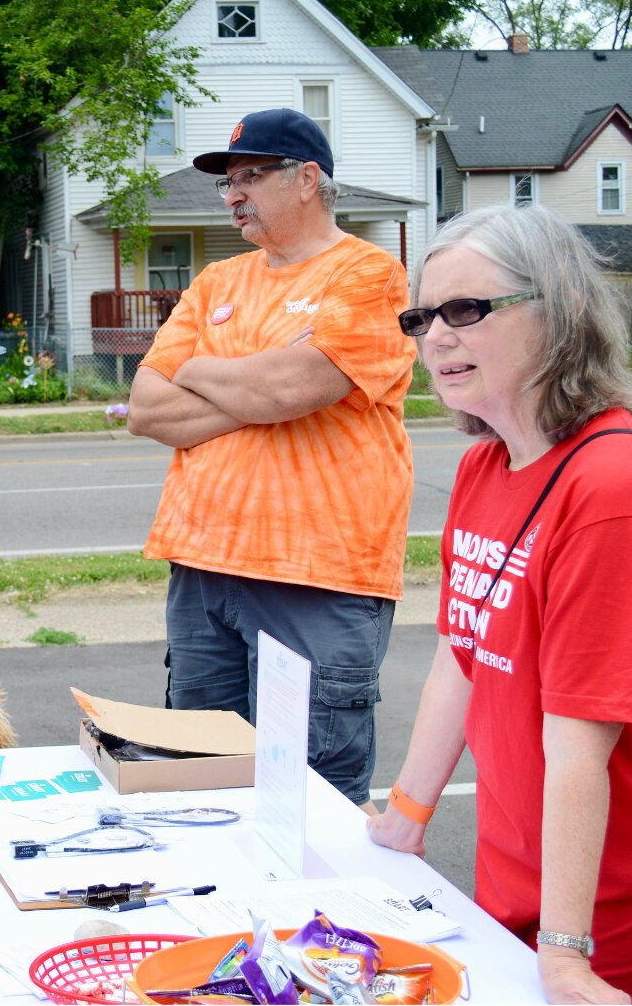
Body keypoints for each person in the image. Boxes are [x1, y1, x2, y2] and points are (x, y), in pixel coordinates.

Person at [367, 203, 632, 1005]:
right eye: (423, 316)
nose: (437, 336)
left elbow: (581, 740)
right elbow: (459, 656)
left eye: (467, 310)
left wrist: (567, 952)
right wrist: (406, 812)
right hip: (525, 861)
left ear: (561, 312)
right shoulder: (484, 469)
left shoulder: (612, 487)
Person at [128, 108, 415, 810]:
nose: (233, 195)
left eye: (251, 176)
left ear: (308, 179)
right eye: (228, 182)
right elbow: (147, 408)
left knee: (307, 805)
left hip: (316, 577)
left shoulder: (370, 275)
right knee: (196, 789)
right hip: (203, 574)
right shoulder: (218, 283)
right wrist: (260, 392)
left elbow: (298, 384)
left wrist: (203, 368)